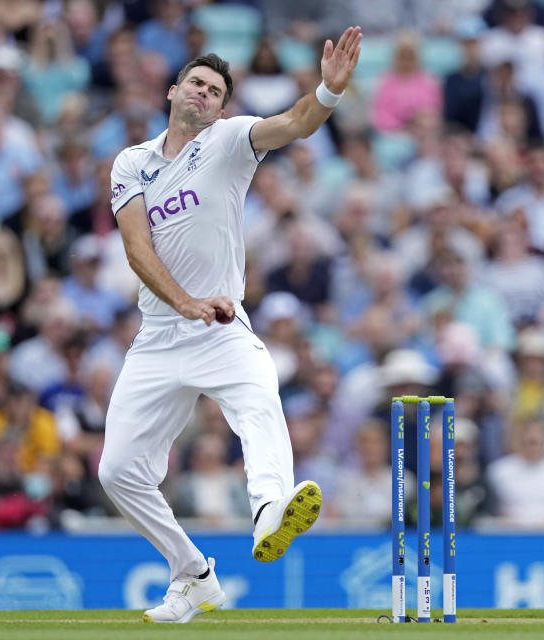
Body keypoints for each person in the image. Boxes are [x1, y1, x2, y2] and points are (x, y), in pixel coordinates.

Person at [101, 28, 362, 624]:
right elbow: (137, 249)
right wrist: (185, 301)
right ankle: (193, 576)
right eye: (195, 82)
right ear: (172, 91)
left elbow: (295, 123)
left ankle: (271, 508)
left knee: (259, 394)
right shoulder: (131, 163)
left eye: (215, 91)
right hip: (160, 338)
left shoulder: (229, 140)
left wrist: (327, 91)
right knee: (116, 473)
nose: (203, 93)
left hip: (220, 326)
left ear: (222, 107)